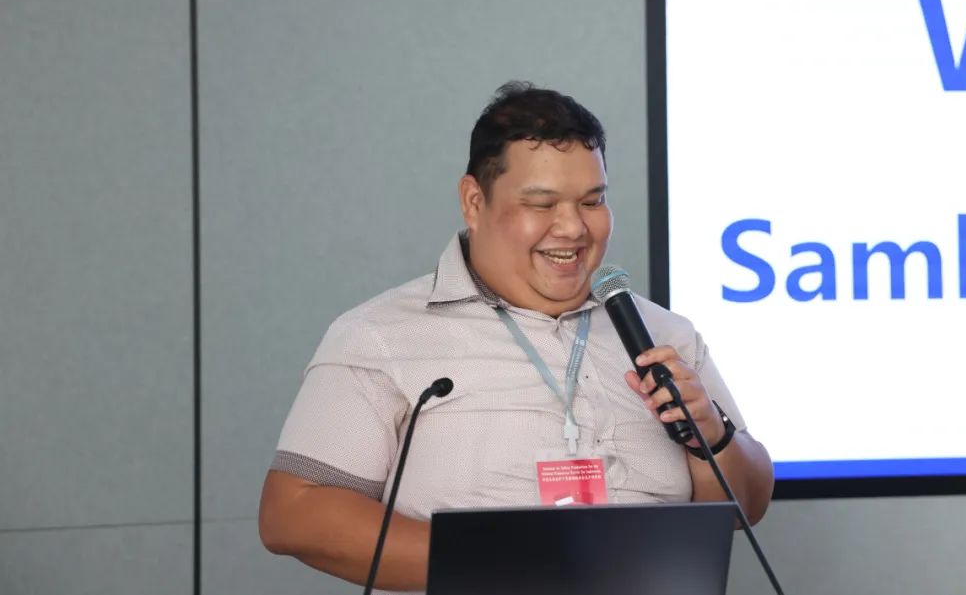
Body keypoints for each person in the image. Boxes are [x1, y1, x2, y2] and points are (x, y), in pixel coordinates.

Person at [258, 82, 774, 592]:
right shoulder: (381, 336)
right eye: (542, 204)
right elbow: (295, 513)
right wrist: (512, 563)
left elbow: (744, 509)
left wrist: (712, 436)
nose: (573, 228)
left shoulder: (661, 335)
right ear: (474, 201)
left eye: (592, 201)